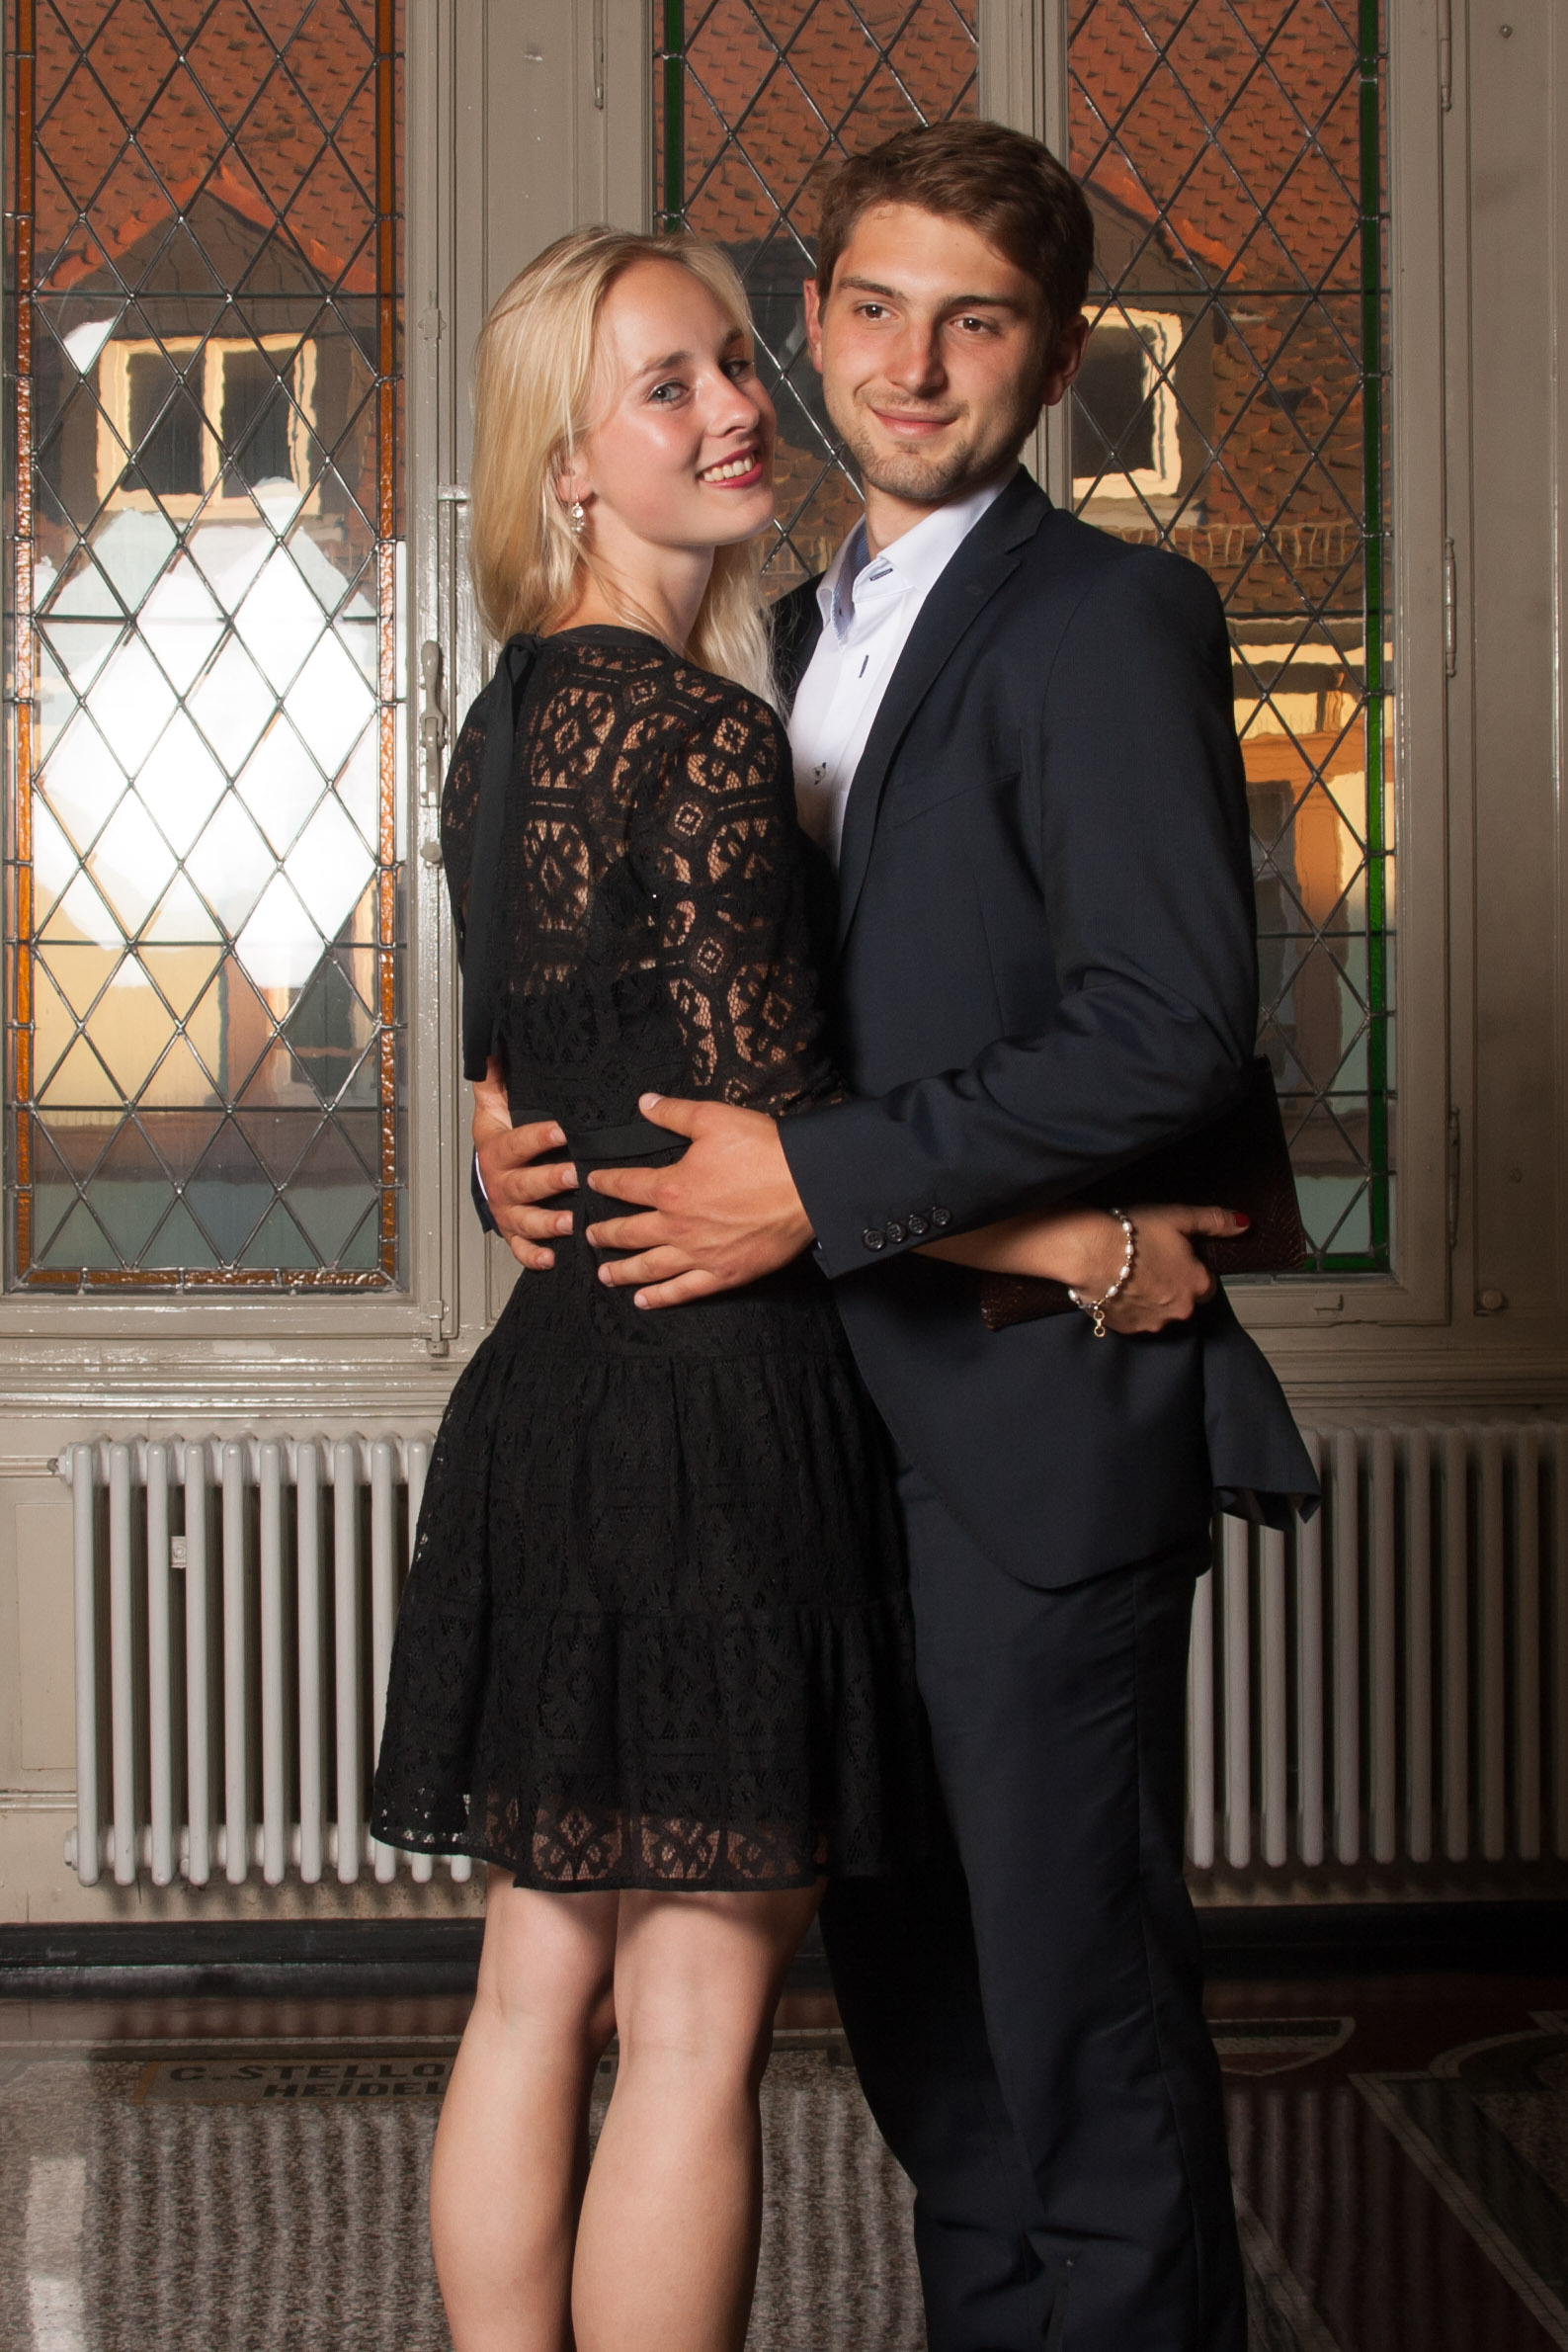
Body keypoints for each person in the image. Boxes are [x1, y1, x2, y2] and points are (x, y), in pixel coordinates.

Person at [371, 224, 1240, 2352]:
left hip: (564, 1391)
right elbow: (755, 1147)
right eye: (667, 385)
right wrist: (1065, 1240)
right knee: (689, 2021)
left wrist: (516, 1129)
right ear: (566, 459)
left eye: (731, 362)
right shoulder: (703, 725)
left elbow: (573, 1081)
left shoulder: (507, 717)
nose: (737, 405)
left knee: (534, 1986)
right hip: (717, 1416)